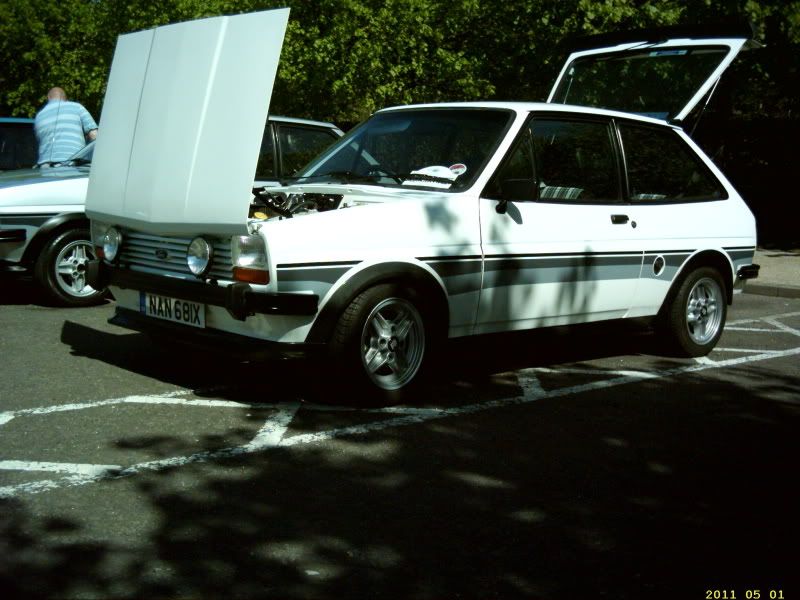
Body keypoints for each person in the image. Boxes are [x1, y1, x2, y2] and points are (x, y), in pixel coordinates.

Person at [34, 87, 97, 167]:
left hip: (44, 167)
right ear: (65, 97)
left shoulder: (39, 116)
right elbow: (94, 136)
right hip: (71, 165)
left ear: (48, 98)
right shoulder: (77, 107)